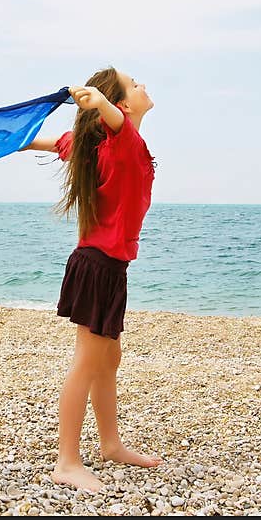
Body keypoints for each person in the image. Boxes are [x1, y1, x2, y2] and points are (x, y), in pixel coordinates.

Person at [20, 66, 162, 491]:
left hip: (106, 266)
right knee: (87, 361)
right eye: (133, 83)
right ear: (119, 104)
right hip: (97, 265)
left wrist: (11, 141)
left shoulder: (90, 145)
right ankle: (67, 461)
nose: (142, 84)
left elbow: (42, 142)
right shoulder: (122, 140)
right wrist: (98, 104)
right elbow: (113, 121)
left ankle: (111, 444)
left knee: (108, 358)